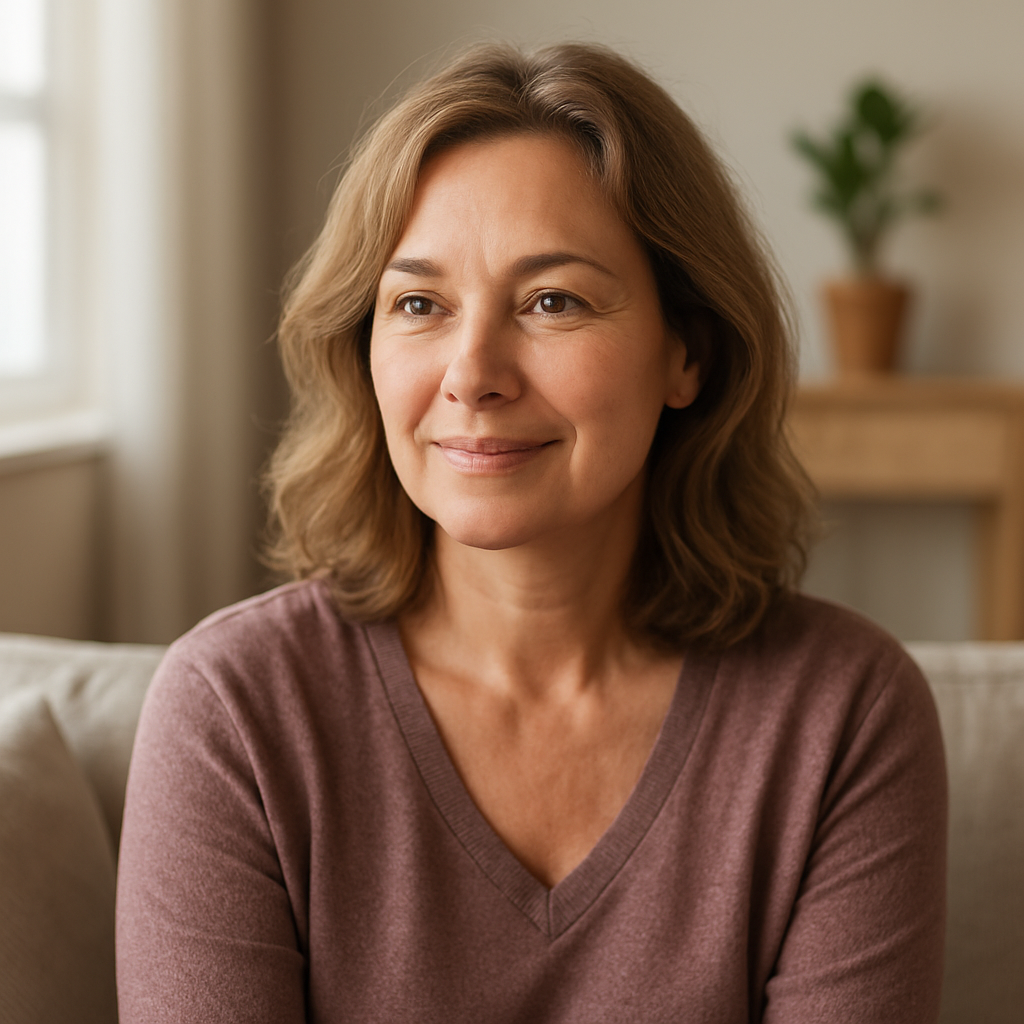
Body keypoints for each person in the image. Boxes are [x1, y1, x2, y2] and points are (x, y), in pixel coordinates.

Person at [115, 42, 947, 1023]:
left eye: (552, 300)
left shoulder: (841, 719)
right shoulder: (235, 713)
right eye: (419, 303)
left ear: (688, 351)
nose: (473, 373)